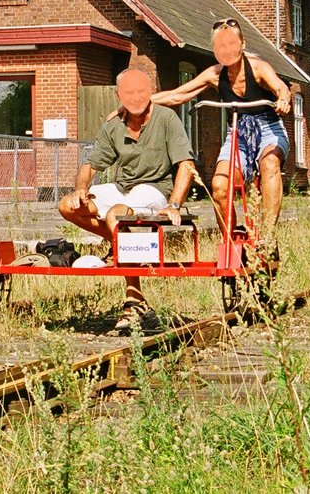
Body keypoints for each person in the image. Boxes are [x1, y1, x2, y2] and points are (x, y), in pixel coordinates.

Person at [58, 68, 195, 333]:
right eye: (128, 92)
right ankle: (118, 243)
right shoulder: (114, 125)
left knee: (116, 216)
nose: (135, 98)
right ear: (118, 95)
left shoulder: (166, 119)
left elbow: (186, 165)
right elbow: (90, 164)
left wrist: (175, 204)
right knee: (68, 206)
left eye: (140, 91)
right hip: (125, 188)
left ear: (150, 93)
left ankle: (134, 299)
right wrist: (80, 188)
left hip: (156, 190)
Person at [151, 18, 292, 231]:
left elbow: (281, 88)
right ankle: (231, 240)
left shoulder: (259, 68)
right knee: (219, 187)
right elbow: (176, 95)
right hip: (238, 131)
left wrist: (283, 100)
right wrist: (138, 103)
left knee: (270, 164)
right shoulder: (215, 74)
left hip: (268, 128)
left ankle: (267, 235)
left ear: (242, 45)